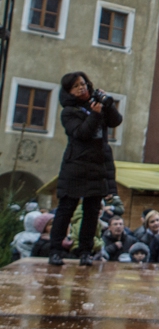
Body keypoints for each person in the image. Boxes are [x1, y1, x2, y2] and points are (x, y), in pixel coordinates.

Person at [48, 72, 122, 267]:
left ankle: (86, 252)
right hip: (76, 166)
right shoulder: (69, 112)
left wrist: (107, 104)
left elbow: (116, 121)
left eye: (83, 83)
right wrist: (96, 114)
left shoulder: (96, 104)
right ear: (69, 92)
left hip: (97, 166)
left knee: (91, 212)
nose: (81, 87)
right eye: (75, 86)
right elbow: (82, 133)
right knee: (66, 210)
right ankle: (55, 250)